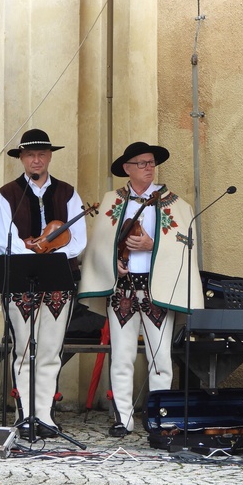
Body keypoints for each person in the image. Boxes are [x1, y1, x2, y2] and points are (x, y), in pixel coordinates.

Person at [78, 141, 203, 437]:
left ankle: (160, 420)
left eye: (151, 163)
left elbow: (186, 247)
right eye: (142, 163)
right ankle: (123, 419)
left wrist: (152, 245)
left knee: (159, 358)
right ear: (127, 169)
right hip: (122, 289)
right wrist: (115, 262)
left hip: (156, 289)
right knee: (121, 356)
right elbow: (99, 244)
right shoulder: (112, 201)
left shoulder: (176, 204)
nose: (149, 168)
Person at [0, 128, 86, 439]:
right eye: (30, 154)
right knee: (22, 349)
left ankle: (44, 415)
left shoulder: (69, 193)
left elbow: (78, 241)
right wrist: (34, 249)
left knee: (49, 351)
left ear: (49, 157)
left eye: (42, 153)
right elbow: (3, 240)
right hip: (20, 283)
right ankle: (25, 415)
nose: (36, 159)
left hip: (59, 282)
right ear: (21, 158)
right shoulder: (6, 195)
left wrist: (50, 250)